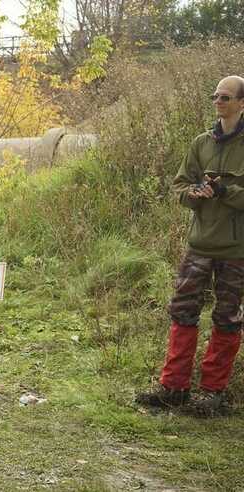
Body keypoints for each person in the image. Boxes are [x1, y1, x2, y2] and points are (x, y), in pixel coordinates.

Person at [136, 75, 244, 417]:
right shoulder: (201, 142)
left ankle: (213, 392)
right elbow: (180, 184)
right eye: (215, 96)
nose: (218, 101)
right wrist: (192, 195)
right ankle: (174, 387)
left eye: (225, 97)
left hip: (236, 250)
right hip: (198, 245)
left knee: (226, 318)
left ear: (241, 103)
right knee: (182, 311)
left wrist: (226, 192)